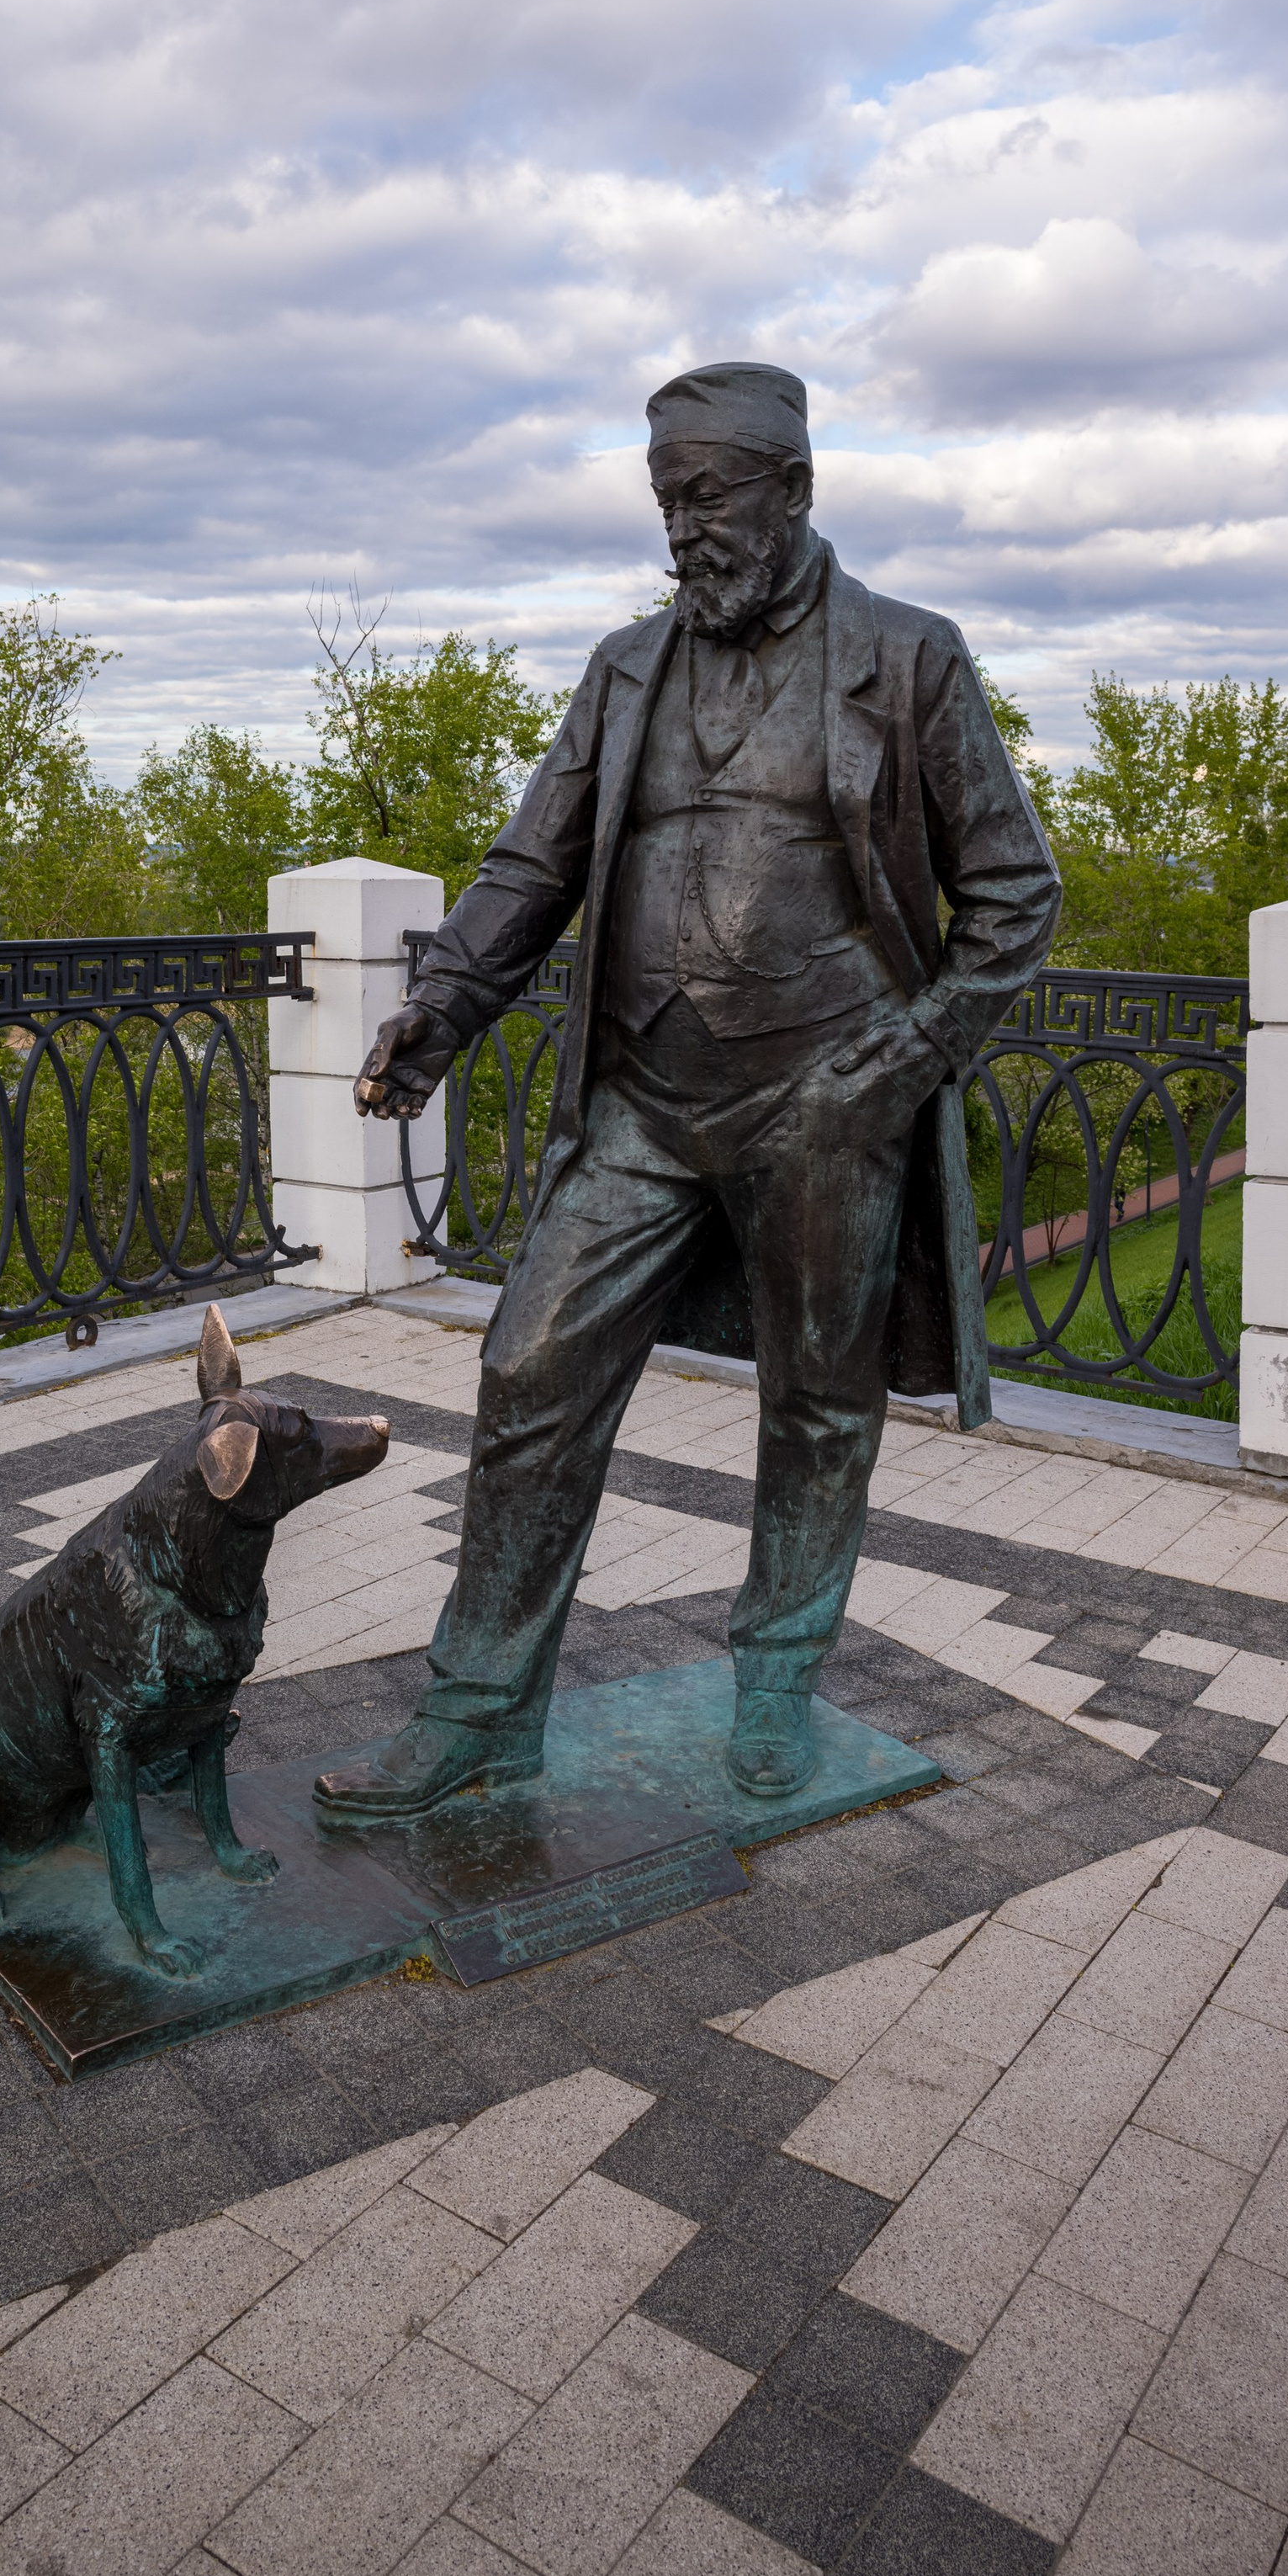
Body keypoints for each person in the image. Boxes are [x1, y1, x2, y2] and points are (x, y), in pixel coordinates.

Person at [314, 360, 1059, 1817]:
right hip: (645, 1102)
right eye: (667, 505)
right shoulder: (628, 668)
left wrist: (893, 1070)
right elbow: (534, 866)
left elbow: (1016, 899)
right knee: (530, 1366)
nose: (684, 535)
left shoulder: (907, 659)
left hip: (825, 1102)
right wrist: (445, 1007)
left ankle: (778, 1684)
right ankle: (478, 1712)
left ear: (790, 489)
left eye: (707, 499)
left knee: (819, 1402)